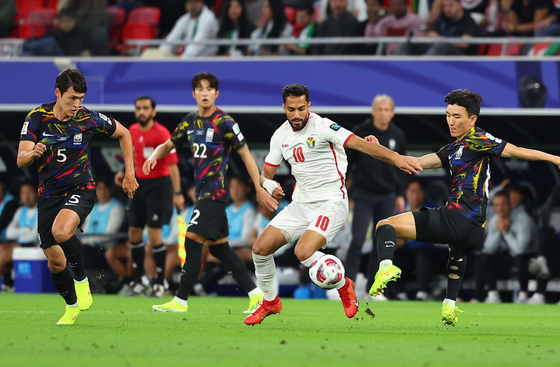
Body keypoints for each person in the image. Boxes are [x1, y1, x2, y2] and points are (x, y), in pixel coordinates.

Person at [368, 89, 560, 326]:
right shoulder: (451, 150)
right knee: (456, 251)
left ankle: (386, 266)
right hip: (473, 231)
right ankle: (449, 305)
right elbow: (411, 163)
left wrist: (554, 158)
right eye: (448, 115)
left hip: (457, 219)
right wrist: (379, 150)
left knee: (384, 225)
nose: (450, 121)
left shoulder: (480, 139)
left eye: (457, 116)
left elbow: (518, 151)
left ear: (472, 119)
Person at [244, 83, 422, 325]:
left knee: (303, 252)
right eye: (291, 109)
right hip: (300, 205)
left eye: (301, 108)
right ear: (283, 107)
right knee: (260, 249)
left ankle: (343, 285)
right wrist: (268, 185)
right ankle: (270, 302)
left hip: (331, 203)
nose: (296, 115)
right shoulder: (280, 136)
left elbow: (363, 145)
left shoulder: (323, 126)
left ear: (309, 106)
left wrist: (397, 159)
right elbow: (265, 174)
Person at [143, 72, 277, 313]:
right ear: (194, 93)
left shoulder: (225, 122)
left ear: (216, 93)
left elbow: (245, 154)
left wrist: (259, 187)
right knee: (219, 247)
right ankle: (257, 294)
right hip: (204, 193)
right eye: (200, 89)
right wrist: (153, 156)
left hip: (215, 193)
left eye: (209, 89)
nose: (205, 93)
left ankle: (181, 300)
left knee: (192, 239)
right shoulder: (190, 121)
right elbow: (169, 144)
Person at [17, 68, 138, 325]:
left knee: (62, 231)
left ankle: (83, 281)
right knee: (55, 262)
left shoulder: (88, 118)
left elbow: (124, 133)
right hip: (48, 196)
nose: (77, 104)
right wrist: (34, 153)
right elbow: (20, 159)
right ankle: (71, 306)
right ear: (58, 93)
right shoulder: (37, 118)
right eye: (72, 98)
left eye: (81, 98)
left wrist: (130, 173)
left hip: (80, 188)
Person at [114, 95, 184, 298]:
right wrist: (125, 173)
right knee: (134, 233)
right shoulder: (132, 131)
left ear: (153, 111)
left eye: (145, 108)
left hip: (159, 186)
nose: (142, 112)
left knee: (154, 234)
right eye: (138, 108)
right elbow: (134, 159)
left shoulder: (161, 133)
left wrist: (177, 193)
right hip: (138, 184)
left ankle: (160, 283)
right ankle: (139, 280)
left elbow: (173, 165)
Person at [344, 94, 407, 298]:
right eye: (379, 109)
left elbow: (402, 166)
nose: (383, 113)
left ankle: (374, 289)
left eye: (386, 110)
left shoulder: (398, 135)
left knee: (381, 243)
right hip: (363, 194)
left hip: (387, 195)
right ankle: (347, 288)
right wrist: (345, 190)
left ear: (392, 113)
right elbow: (348, 164)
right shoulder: (361, 133)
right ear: (372, 112)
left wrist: (399, 194)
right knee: (357, 240)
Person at [194, 175, 257, 299]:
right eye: (232, 187)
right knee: (206, 249)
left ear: (246, 189)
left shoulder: (249, 210)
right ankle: (198, 283)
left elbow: (246, 238)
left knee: (221, 254)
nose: (235, 190)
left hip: (243, 248)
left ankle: (202, 286)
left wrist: (222, 243)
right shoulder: (227, 209)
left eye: (239, 187)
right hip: (227, 246)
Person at [473, 189, 536, 304]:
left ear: (510, 204)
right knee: (483, 259)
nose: (500, 208)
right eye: (497, 205)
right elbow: (488, 249)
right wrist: (499, 231)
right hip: (506, 256)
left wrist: (505, 232)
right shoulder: (494, 220)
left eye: (503, 204)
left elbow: (520, 250)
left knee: (520, 259)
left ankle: (523, 296)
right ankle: (492, 295)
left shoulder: (523, 219)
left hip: (527, 256)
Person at [81, 178, 129, 291]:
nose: (101, 192)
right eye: (98, 189)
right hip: (89, 247)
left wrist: (88, 241)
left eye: (104, 189)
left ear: (110, 190)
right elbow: (85, 231)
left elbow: (109, 234)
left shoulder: (116, 208)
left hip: (104, 247)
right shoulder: (93, 208)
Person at [399, 0, 479, 56]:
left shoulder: (469, 22)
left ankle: (422, 68)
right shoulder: (443, 18)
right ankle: (394, 68)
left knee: (442, 45)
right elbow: (433, 33)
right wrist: (427, 34)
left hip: (462, 58)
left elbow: (464, 43)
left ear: (460, 5)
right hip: (440, 54)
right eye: (444, 6)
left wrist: (440, 39)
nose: (447, 9)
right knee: (411, 42)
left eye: (451, 5)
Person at [0, 182, 39, 290]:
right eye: (23, 193)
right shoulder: (20, 211)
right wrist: (27, 229)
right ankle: (8, 284)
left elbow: (33, 236)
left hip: (36, 246)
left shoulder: (41, 210)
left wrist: (19, 231)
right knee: (2, 249)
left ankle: (7, 283)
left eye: (29, 192)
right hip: (20, 244)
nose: (26, 196)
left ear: (36, 193)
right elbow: (9, 233)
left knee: (4, 249)